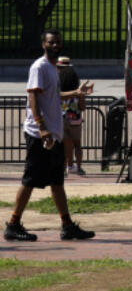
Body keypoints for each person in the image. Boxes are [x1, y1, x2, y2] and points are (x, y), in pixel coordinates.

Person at [4, 29, 95, 242]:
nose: (56, 46)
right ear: (43, 44)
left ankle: (67, 225)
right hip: (39, 134)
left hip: (53, 134)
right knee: (29, 180)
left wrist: (76, 93)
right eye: (51, 42)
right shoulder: (39, 67)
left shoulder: (53, 69)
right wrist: (41, 126)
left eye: (58, 43)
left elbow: (53, 95)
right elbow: (33, 96)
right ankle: (13, 224)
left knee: (57, 181)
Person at [56, 56, 86, 176]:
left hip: (61, 118)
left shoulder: (56, 83)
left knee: (63, 146)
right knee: (77, 144)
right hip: (75, 118)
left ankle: (63, 169)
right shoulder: (76, 86)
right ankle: (78, 167)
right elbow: (82, 106)